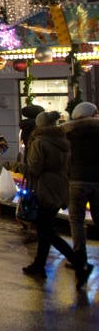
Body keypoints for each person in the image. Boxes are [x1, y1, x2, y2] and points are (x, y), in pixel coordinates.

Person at [13, 110, 92, 288]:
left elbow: (33, 169)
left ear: (40, 125)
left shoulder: (40, 142)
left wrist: (14, 166)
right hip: (60, 187)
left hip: (45, 189)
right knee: (44, 229)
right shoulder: (64, 140)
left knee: (47, 232)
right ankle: (39, 265)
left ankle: (80, 265)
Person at [62, 101, 99, 279]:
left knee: (76, 221)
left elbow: (66, 160)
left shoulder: (69, 133)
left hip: (76, 181)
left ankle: (79, 258)